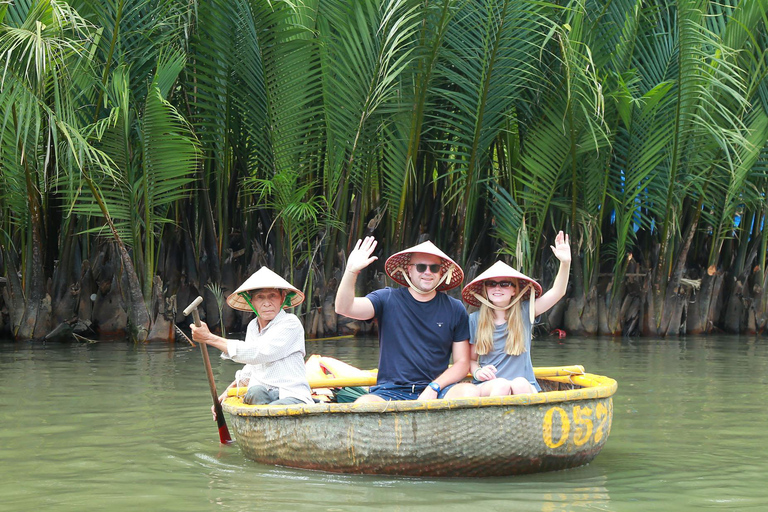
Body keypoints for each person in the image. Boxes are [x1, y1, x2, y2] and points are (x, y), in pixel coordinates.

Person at [335, 236, 478, 402]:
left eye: (434, 268)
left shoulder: (455, 308)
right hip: (390, 391)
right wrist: (351, 271)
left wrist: (435, 387)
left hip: (437, 390)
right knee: (364, 404)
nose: (427, 272)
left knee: (469, 392)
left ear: (441, 273)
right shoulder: (386, 299)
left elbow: (462, 363)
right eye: (421, 267)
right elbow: (344, 308)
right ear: (409, 269)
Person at [461, 231, 571, 396]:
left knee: (519, 384)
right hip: (489, 386)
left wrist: (565, 263)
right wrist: (477, 373)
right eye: (492, 284)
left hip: (525, 385)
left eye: (504, 284)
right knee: (501, 385)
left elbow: (558, 292)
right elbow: (470, 360)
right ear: (486, 290)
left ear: (514, 290)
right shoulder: (474, 319)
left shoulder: (525, 311)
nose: (497, 288)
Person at [190, 267, 313, 406]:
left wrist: (209, 338)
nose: (267, 303)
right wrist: (228, 391)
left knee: (273, 408)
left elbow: (259, 353)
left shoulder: (290, 323)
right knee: (256, 391)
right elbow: (251, 368)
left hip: (291, 394)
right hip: (262, 396)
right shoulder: (252, 327)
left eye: (272, 296)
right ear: (251, 301)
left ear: (282, 298)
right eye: (260, 297)